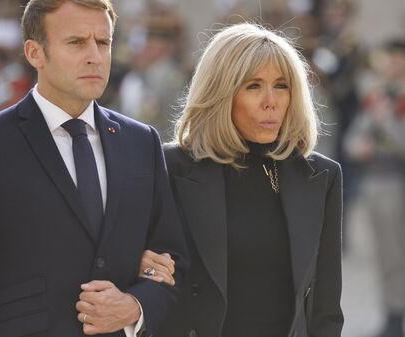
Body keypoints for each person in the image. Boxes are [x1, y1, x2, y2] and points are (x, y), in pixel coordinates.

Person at [0, 1, 188, 337]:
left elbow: (172, 259)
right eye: (76, 42)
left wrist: (136, 305)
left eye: (103, 42)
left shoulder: (142, 143)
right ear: (35, 53)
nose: (95, 55)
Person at [137, 23, 343, 337]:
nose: (271, 101)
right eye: (254, 86)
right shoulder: (169, 168)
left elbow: (326, 312)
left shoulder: (321, 176)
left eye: (282, 86)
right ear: (221, 92)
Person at [344, 40, 405, 337]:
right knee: (380, 253)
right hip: (373, 179)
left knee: (396, 253)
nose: (390, 65)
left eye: (397, 60)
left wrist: (387, 120)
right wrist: (358, 146)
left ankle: (399, 315)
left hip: (397, 179)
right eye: (389, 59)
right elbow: (353, 138)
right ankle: (388, 312)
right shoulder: (379, 96)